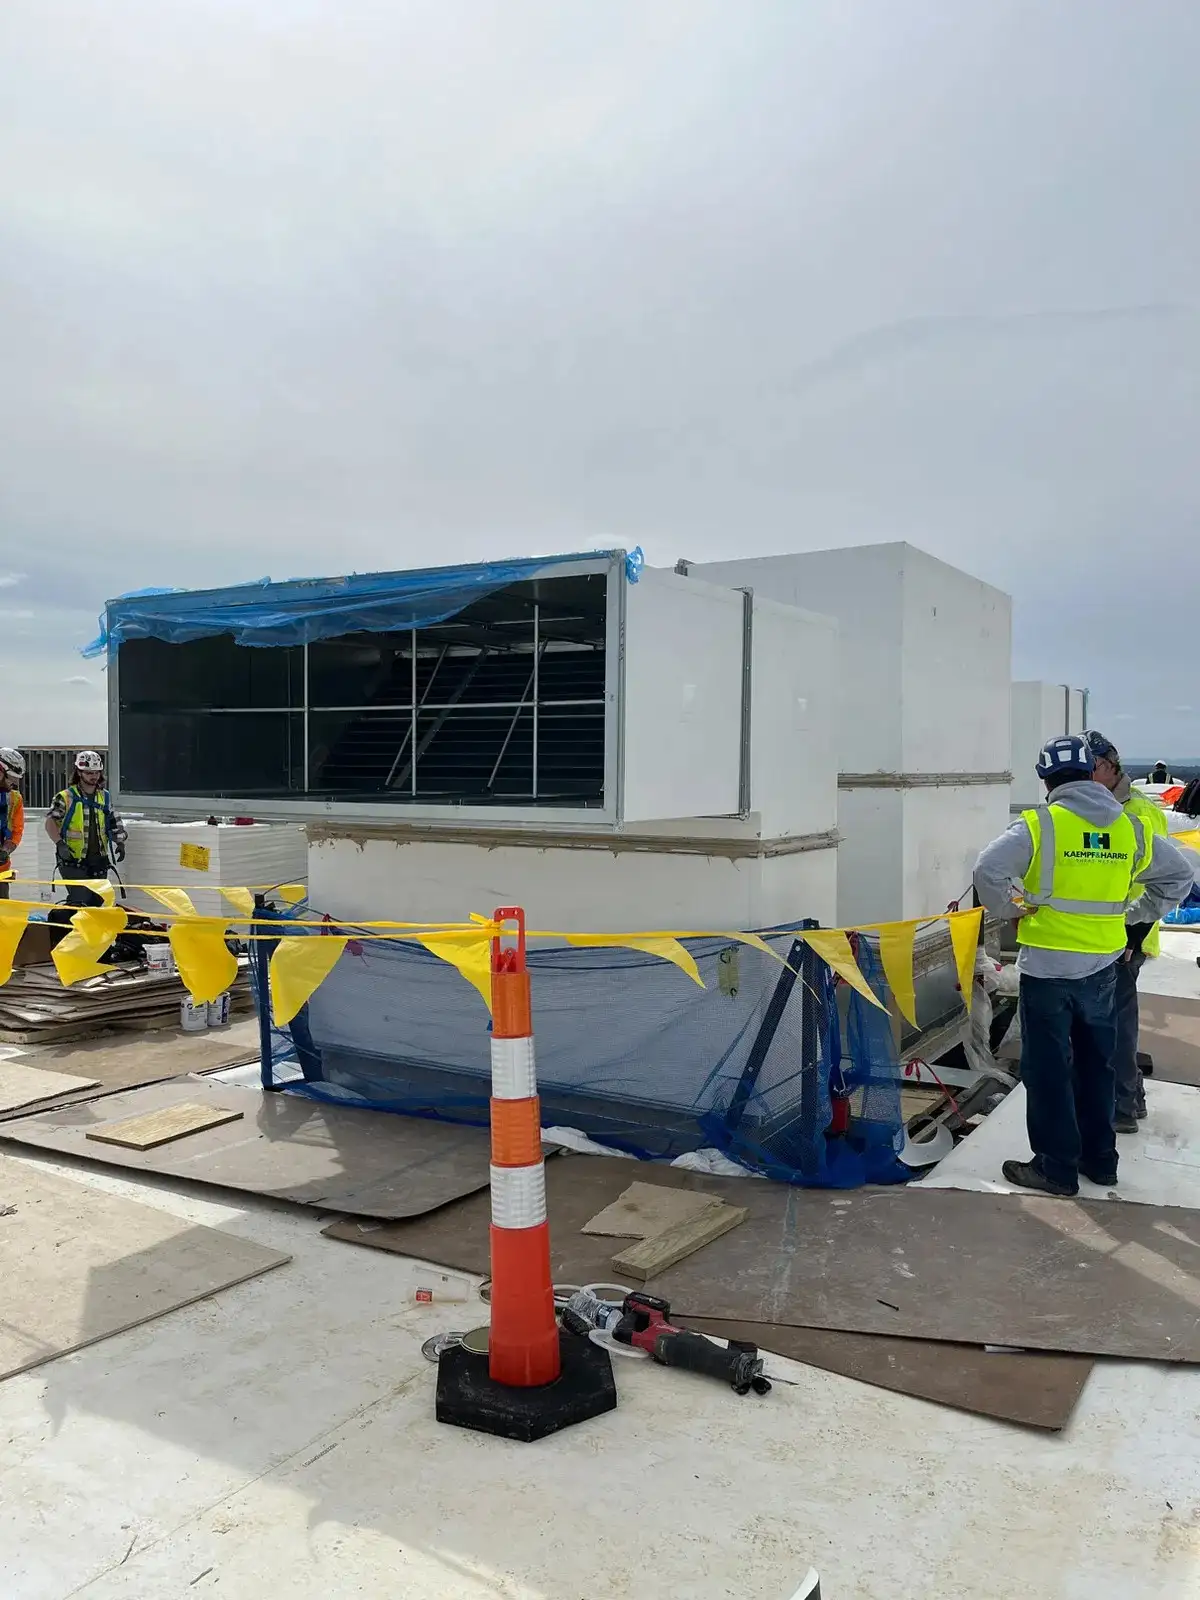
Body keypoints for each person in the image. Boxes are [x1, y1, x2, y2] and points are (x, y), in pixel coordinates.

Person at [973, 735, 1191, 1195]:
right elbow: (1179, 876)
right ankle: (1101, 1160)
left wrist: (1015, 905)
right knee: (1098, 1065)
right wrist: (1134, 914)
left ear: (1045, 778)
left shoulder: (1039, 826)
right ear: (1094, 772)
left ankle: (1056, 1168)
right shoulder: (1130, 829)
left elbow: (987, 872)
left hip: (1048, 970)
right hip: (1102, 970)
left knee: (1049, 1069)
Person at [1084, 730, 1169, 1130]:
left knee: (1116, 1026)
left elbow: (1164, 881)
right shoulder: (1104, 808)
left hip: (1127, 936)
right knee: (1111, 1023)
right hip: (1108, 936)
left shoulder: (1136, 813)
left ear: (1109, 766)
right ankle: (1127, 1099)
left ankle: (1122, 1106)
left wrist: (1134, 936)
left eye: (1090, 768)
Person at [44, 750, 128, 909]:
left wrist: (120, 841)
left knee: (96, 902)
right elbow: (50, 822)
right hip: (73, 860)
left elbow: (114, 820)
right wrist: (60, 844)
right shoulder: (66, 797)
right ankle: (71, 931)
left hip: (98, 861)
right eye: (89, 773)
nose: (94, 776)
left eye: (96, 772)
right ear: (79, 772)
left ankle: (89, 933)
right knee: (80, 901)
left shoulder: (105, 796)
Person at [0, 747, 25, 900]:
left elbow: (17, 830)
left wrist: (6, 850)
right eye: (11, 777)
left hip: (1, 872)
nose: (14, 783)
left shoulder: (14, 798)